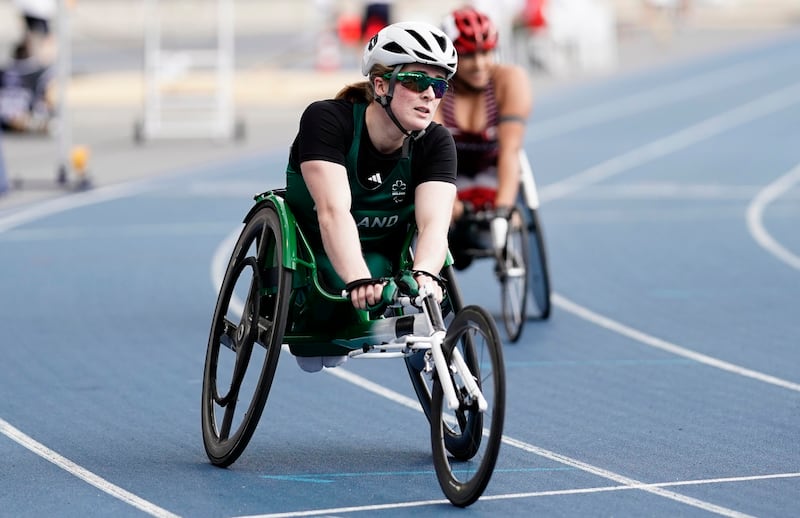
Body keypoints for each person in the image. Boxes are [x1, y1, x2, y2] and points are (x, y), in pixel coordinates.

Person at [284, 21, 458, 372]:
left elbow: (434, 227)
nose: (430, 95)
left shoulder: (436, 142)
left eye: (439, 85)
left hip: (381, 256)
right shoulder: (327, 120)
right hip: (315, 251)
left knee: (401, 271)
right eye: (416, 81)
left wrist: (424, 274)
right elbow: (332, 212)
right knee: (333, 283)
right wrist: (358, 279)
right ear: (381, 85)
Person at [436, 7, 532, 269]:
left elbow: (510, 150)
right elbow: (431, 155)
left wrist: (503, 210)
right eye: (468, 55)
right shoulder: (438, 86)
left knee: (501, 224)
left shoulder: (510, 80)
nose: (480, 64)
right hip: (449, 174)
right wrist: (449, 202)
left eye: (485, 52)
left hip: (492, 170)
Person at [0, 39, 54, 133]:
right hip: (22, 114)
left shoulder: (4, 72)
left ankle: (30, 122)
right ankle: (32, 123)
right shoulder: (37, 73)